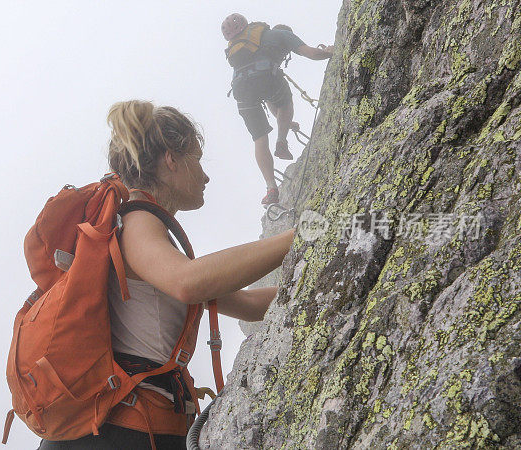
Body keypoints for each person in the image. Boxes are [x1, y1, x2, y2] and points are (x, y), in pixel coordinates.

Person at [37, 100, 294, 449]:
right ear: (171, 160)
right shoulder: (138, 221)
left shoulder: (148, 237)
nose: (205, 175)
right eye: (197, 160)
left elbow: (248, 304)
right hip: (121, 431)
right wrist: (303, 235)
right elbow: (188, 282)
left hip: (125, 429)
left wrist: (318, 274)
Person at [222, 13, 334, 205]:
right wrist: (332, 51)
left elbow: (268, 100)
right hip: (268, 79)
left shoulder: (248, 43)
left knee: (259, 139)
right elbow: (312, 53)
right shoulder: (282, 34)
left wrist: (287, 122)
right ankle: (281, 141)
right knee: (285, 100)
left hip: (241, 89)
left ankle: (271, 187)